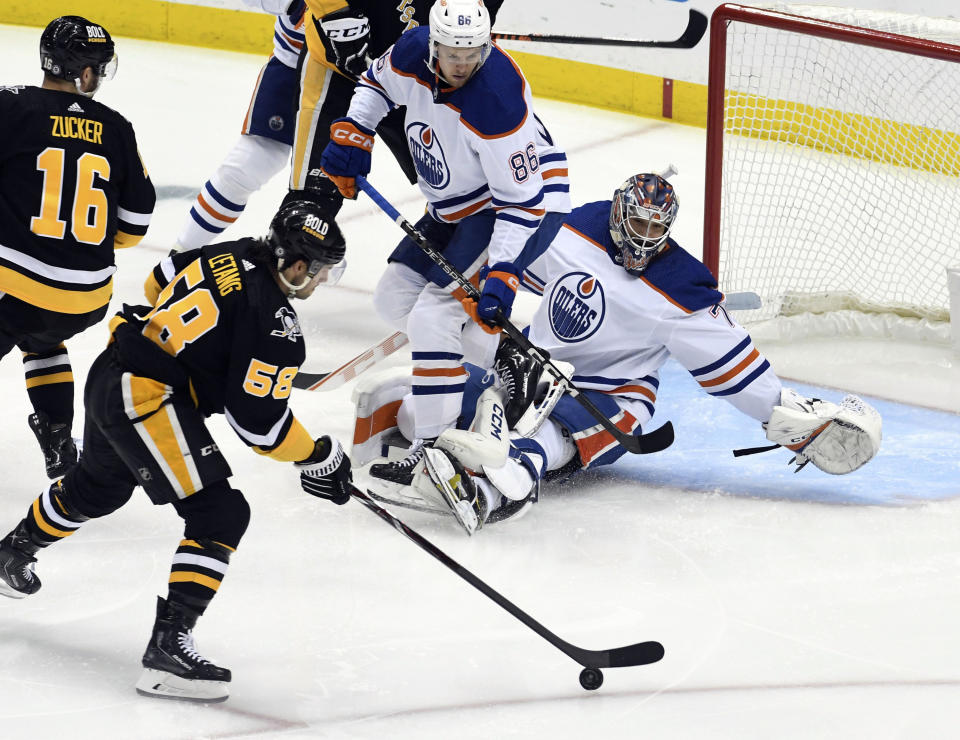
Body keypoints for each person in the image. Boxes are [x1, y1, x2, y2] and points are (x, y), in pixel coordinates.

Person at [355, 172, 883, 534]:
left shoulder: (682, 287)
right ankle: (428, 433)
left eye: (658, 228)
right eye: (638, 223)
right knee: (438, 392)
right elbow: (511, 258)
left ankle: (502, 485)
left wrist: (785, 412)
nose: (646, 236)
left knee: (548, 433)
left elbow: (734, 366)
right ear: (617, 212)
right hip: (533, 367)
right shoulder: (574, 225)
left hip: (611, 395)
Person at [0, 200, 354, 703]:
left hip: (113, 371)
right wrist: (318, 455)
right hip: (146, 396)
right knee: (221, 514)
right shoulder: (275, 324)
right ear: (297, 266)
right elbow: (259, 426)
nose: (318, 283)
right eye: (318, 273)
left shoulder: (230, 251)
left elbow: (154, 285)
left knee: (98, 488)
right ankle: (167, 651)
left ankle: (11, 554)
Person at [320, 0, 570, 484]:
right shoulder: (412, 51)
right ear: (433, 44)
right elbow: (374, 84)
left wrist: (502, 271)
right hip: (456, 205)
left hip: (514, 208)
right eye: (452, 53)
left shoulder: (498, 98)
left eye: (473, 52)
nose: (462, 64)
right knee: (393, 298)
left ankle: (431, 443)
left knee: (435, 314)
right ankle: (497, 368)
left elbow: (521, 205)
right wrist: (355, 133)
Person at [0, 16, 156, 478]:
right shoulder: (117, 127)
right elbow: (134, 227)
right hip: (85, 299)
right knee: (43, 336)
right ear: (84, 73)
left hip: (14, 291)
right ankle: (58, 437)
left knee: (25, 306)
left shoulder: (10, 107)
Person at [284, 0, 504, 216]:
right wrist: (335, 13)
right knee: (308, 212)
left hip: (422, 76)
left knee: (468, 199)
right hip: (338, 66)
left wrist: (465, 39)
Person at [172, 0, 307, 250]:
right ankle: (180, 256)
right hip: (293, 69)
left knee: (321, 184)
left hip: (367, 78)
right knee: (246, 167)